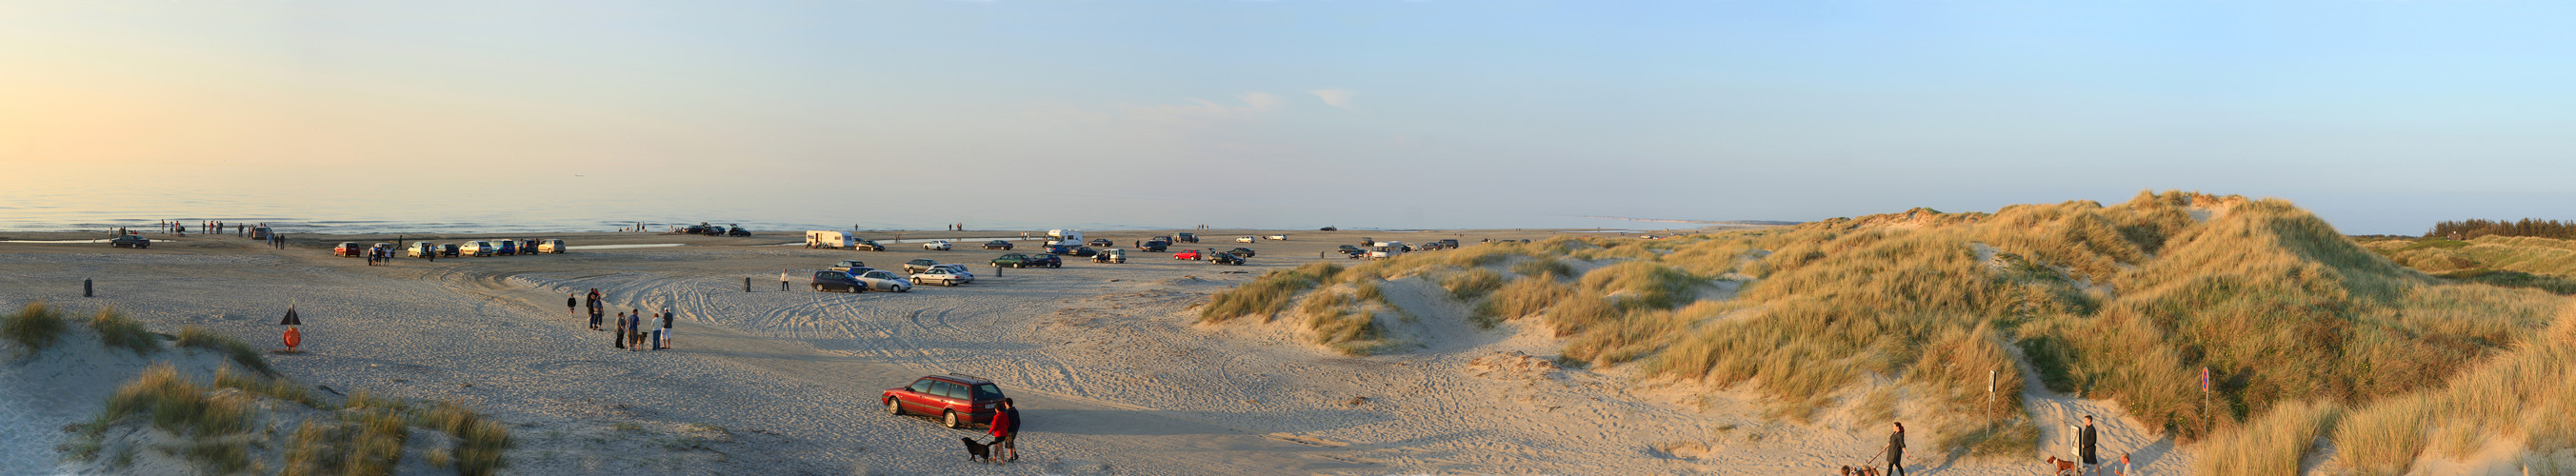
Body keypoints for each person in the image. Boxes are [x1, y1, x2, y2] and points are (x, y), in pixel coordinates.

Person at [988, 398, 1021, 463]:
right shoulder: (1015, 410)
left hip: (1009, 430)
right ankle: (1014, 453)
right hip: (1015, 428)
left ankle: (1010, 458)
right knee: (1010, 441)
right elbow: (1017, 421)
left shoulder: (1006, 413)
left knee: (1008, 443)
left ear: (1007, 404)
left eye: (1005, 403)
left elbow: (1001, 424)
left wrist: (990, 431)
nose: (1004, 404)